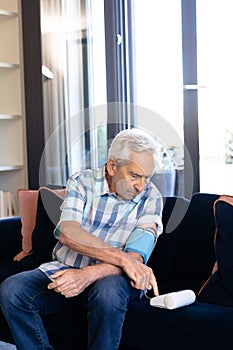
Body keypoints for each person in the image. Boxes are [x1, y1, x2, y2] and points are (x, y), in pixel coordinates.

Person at [0, 128, 163, 350]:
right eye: (135, 175)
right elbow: (68, 232)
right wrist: (122, 259)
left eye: (147, 177)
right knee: (12, 290)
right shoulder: (83, 182)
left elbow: (136, 257)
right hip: (66, 267)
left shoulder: (151, 197)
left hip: (115, 277)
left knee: (108, 293)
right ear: (112, 166)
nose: (141, 186)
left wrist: (87, 275)